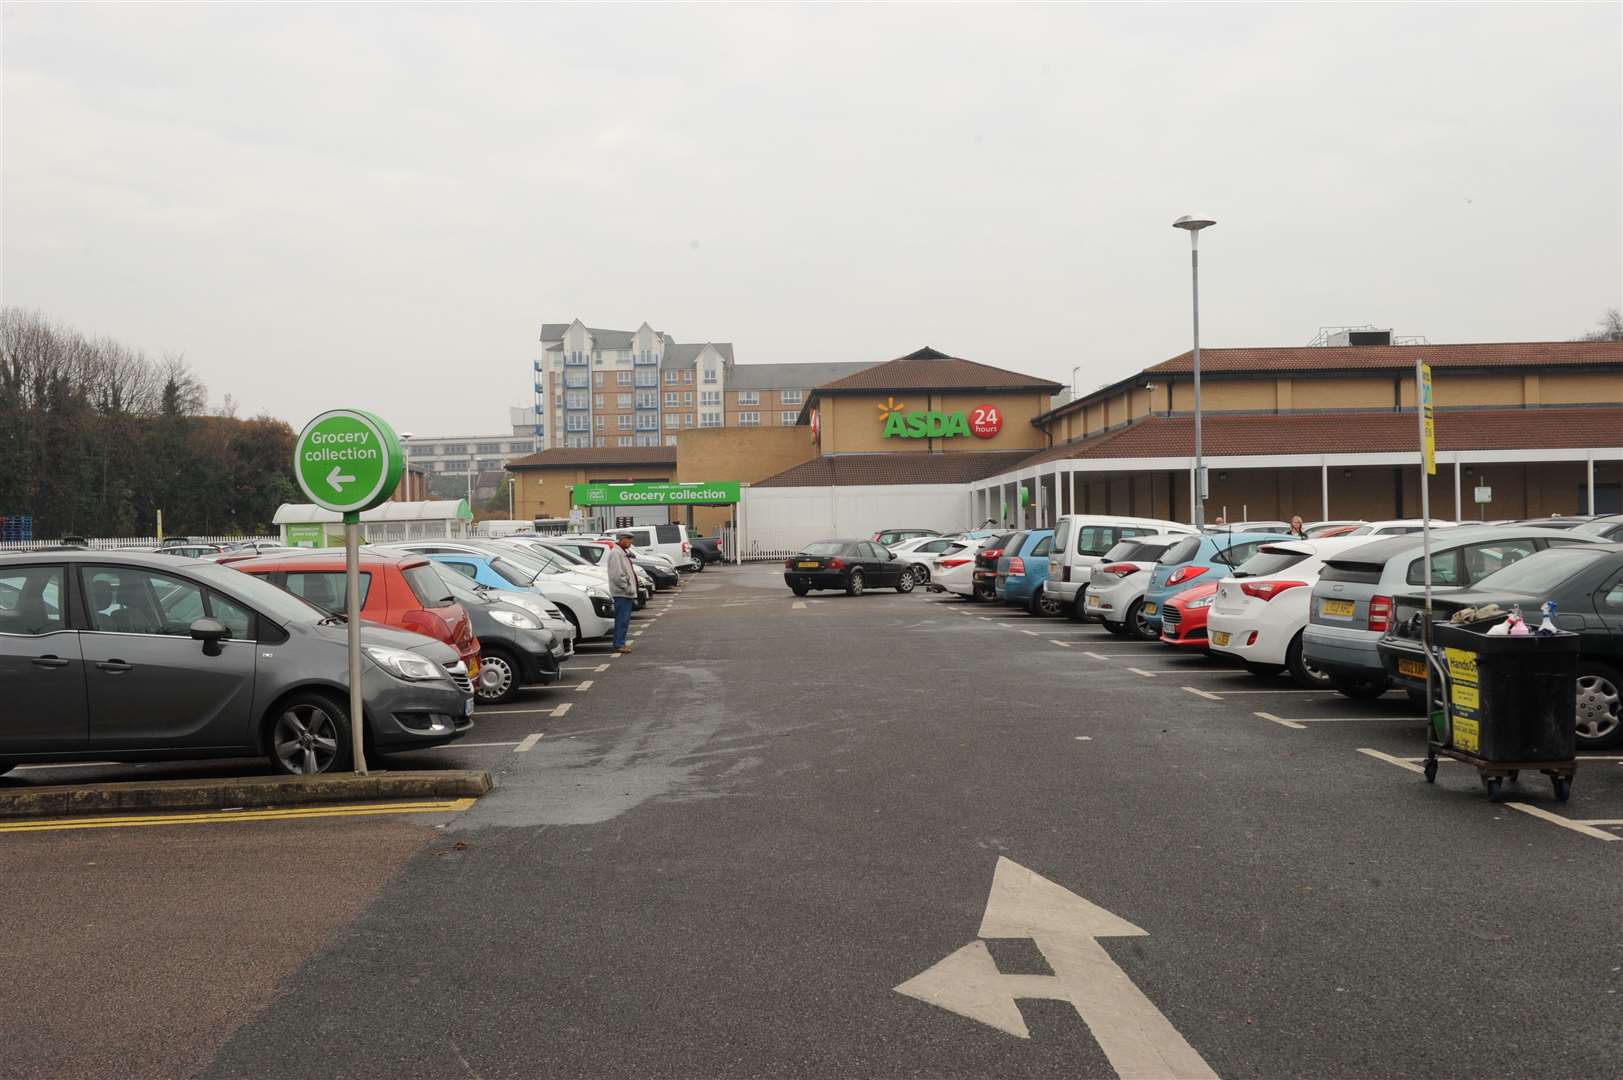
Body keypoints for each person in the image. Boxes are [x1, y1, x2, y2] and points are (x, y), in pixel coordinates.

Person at [604, 532, 639, 651]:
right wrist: (628, 588)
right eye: (629, 539)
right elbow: (617, 576)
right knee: (622, 620)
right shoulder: (616, 554)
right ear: (622, 539)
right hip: (622, 593)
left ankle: (620, 643)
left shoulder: (622, 553)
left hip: (624, 593)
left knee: (623, 619)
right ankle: (619, 644)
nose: (631, 542)